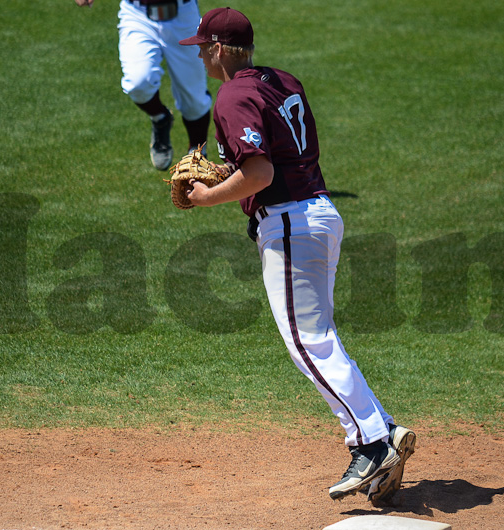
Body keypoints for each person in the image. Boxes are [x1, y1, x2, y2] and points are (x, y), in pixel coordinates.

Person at [178, 7, 416, 502]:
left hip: (290, 224)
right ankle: (382, 431)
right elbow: (273, 156)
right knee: (319, 338)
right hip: (319, 213)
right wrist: (229, 173)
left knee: (308, 343)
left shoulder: (232, 93)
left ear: (220, 49)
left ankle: (371, 442)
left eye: (203, 46)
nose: (199, 54)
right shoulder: (281, 80)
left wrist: (205, 197)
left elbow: (260, 174)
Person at [75, 0, 212, 170]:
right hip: (137, 15)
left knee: (195, 99)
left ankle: (198, 153)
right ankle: (160, 119)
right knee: (137, 83)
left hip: (183, 15)